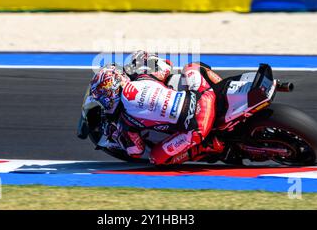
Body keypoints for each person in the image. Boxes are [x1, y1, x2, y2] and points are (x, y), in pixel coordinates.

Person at [89, 51, 225, 165]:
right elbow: (167, 66)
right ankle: (222, 88)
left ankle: (207, 147)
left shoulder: (126, 121)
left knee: (155, 159)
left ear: (111, 92)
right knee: (192, 66)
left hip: (197, 128)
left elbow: (136, 151)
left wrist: (117, 136)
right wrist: (144, 60)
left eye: (103, 97)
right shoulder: (144, 78)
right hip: (205, 96)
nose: (104, 102)